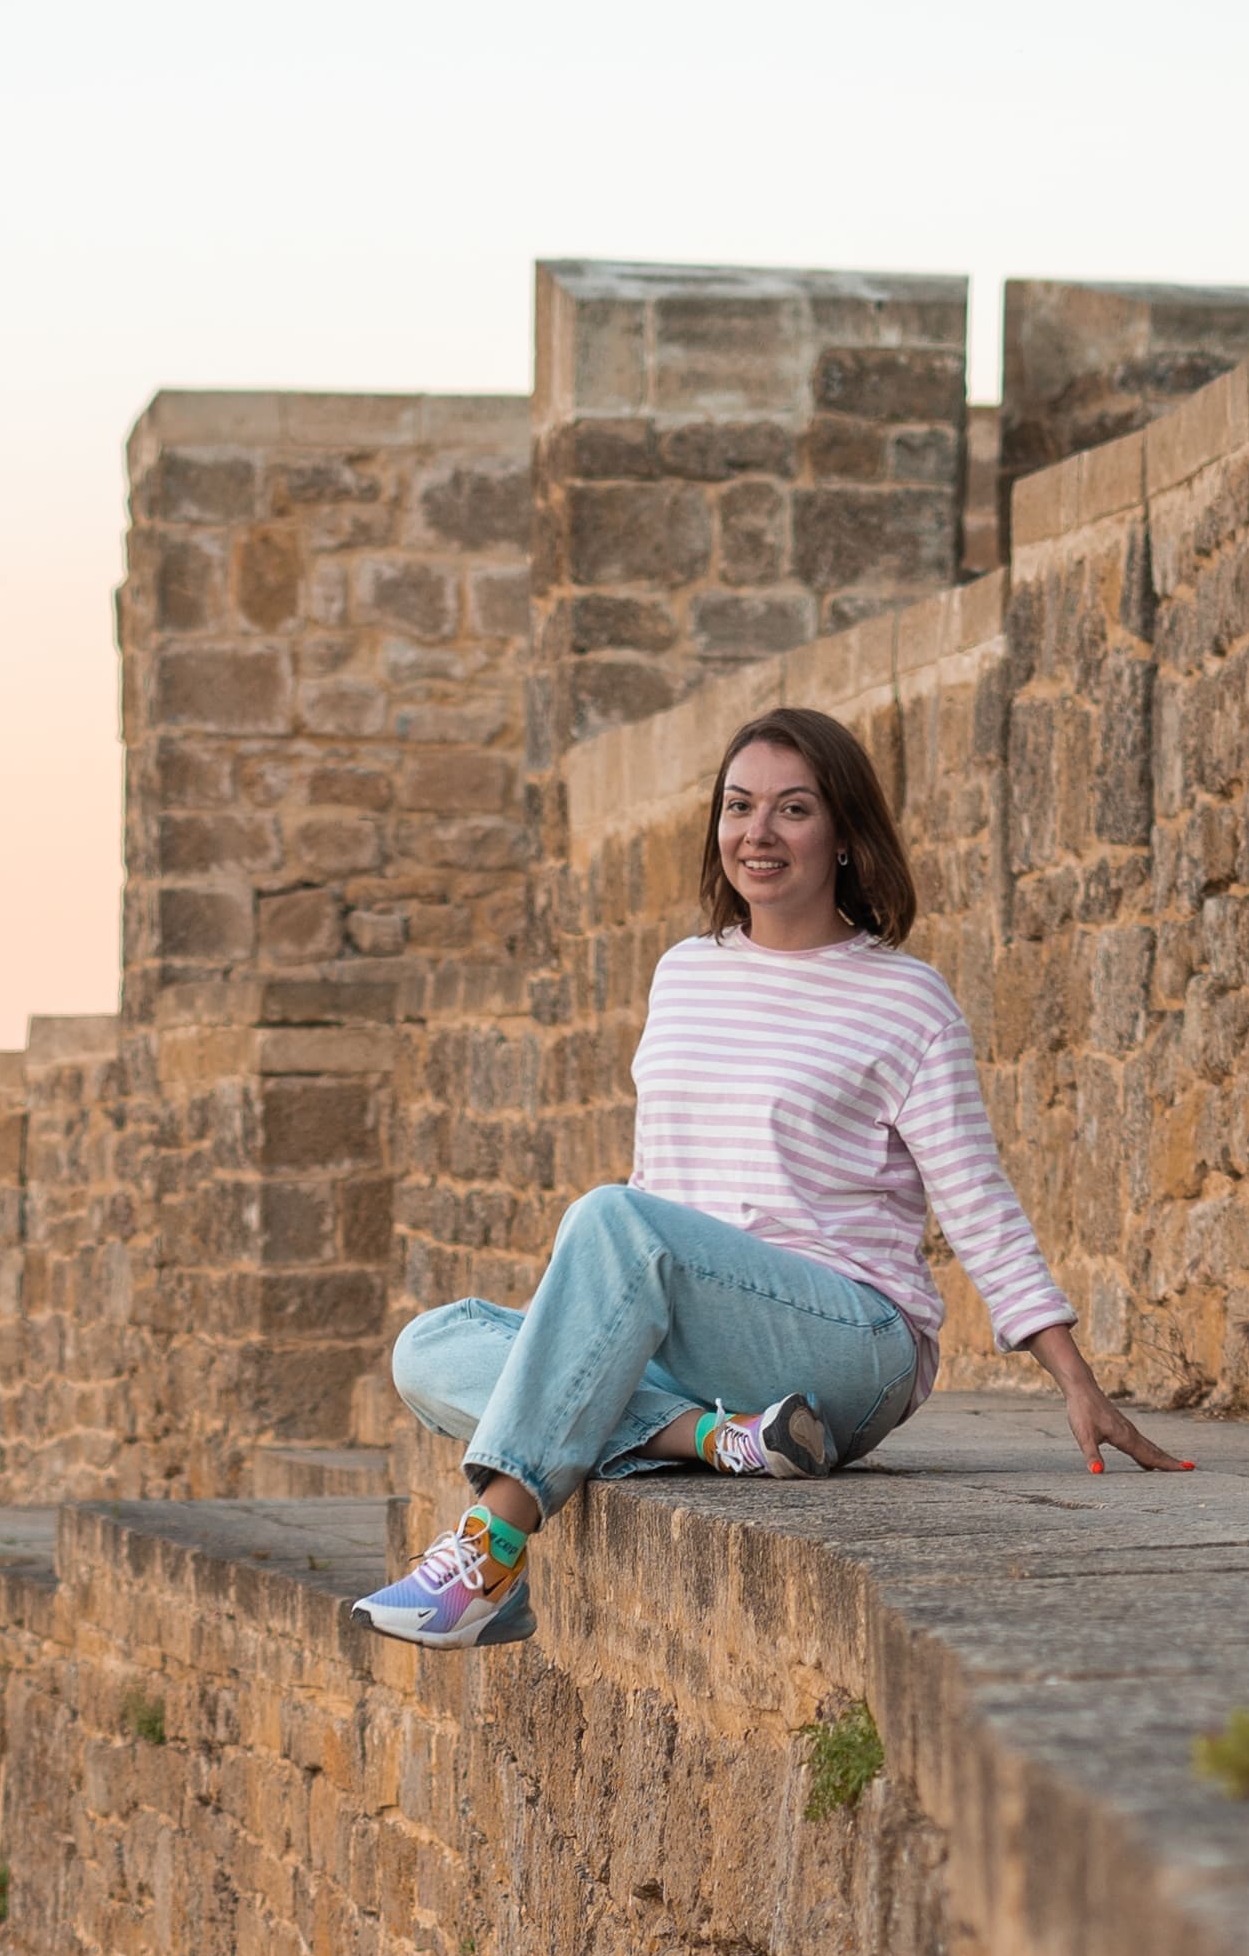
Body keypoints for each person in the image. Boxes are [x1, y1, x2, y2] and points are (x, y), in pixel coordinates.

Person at [359, 703, 1186, 1649]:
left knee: (612, 1221)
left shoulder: (904, 999)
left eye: (792, 809)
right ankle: (721, 1439)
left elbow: (975, 1196)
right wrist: (594, 1328)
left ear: (841, 835)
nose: (757, 833)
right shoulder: (684, 973)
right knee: (430, 1345)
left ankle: (488, 1550)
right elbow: (659, 1183)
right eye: (737, 805)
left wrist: (1073, 1378)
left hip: (850, 1338)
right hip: (702, 1347)